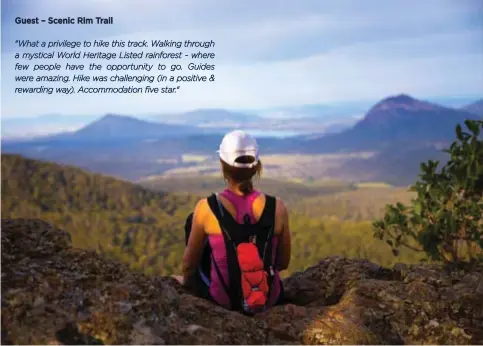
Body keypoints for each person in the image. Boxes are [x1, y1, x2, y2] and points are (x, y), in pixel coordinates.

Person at [176, 130, 291, 314]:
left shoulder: (207, 208)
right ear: (256, 166)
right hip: (269, 301)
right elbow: (283, 262)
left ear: (223, 165)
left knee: (193, 222)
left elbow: (189, 266)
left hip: (223, 303)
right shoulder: (277, 207)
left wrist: (189, 288)